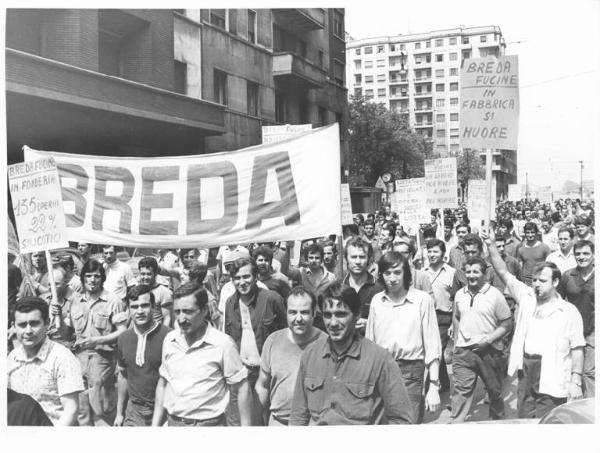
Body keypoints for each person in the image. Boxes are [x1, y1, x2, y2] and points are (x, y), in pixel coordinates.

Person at [483, 230, 586, 418]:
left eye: (542, 281)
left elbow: (578, 348)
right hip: (526, 367)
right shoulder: (527, 297)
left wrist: (576, 380)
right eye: (535, 280)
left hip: (553, 371)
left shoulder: (568, 311)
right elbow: (503, 271)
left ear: (555, 281)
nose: (537, 284)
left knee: (548, 419)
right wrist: (490, 244)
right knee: (524, 416)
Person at [289, 283, 414, 425]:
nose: (333, 323)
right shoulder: (310, 355)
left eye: (341, 314)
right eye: (327, 315)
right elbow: (298, 417)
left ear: (357, 315)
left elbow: (402, 420)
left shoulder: (380, 360)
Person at [152, 283, 252, 426]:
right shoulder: (169, 340)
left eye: (188, 311)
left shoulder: (223, 344)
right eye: (177, 312)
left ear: (205, 310)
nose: (181, 319)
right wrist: (155, 426)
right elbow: (163, 383)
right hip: (174, 423)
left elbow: (242, 388)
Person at [366, 252, 441, 423]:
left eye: (397, 272)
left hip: (411, 372)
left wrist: (434, 386)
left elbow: (432, 344)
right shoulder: (377, 301)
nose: (392, 278)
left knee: (407, 423)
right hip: (381, 371)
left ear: (406, 273)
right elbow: (370, 342)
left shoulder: (422, 300)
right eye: (387, 273)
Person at [65, 259, 128, 426]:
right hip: (79, 359)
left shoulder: (112, 300)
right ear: (82, 278)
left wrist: (97, 340)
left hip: (102, 359)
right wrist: (55, 311)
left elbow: (123, 331)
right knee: (82, 408)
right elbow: (66, 330)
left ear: (102, 278)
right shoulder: (75, 300)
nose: (92, 280)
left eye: (97, 276)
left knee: (102, 406)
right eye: (88, 276)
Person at [224, 257, 287, 425]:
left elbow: (286, 334)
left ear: (256, 277)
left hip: (268, 374)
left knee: (269, 421)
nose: (242, 282)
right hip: (242, 373)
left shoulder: (272, 299)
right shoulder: (230, 303)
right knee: (241, 423)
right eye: (237, 278)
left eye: (246, 277)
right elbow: (229, 339)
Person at [450, 257, 512, 423]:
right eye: (468, 271)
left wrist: (489, 340)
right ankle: (456, 422)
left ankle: (497, 422)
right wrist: (457, 342)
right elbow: (456, 317)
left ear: (484, 273)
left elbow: (507, 322)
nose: (471, 275)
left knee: (494, 391)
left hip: (489, 351)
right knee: (461, 390)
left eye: (476, 271)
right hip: (463, 351)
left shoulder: (494, 295)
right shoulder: (459, 294)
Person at [254, 287, 326, 426]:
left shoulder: (325, 344)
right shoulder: (273, 341)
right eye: (292, 312)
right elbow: (262, 386)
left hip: (314, 425)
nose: (298, 318)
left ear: (314, 313)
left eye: (304, 312)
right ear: (286, 313)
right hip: (278, 423)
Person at [7, 297, 84, 425]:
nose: (28, 331)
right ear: (13, 326)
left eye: (34, 323)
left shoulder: (62, 357)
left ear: (47, 323)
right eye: (22, 325)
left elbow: (71, 409)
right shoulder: (12, 358)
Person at [114, 285, 171, 426]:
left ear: (153, 307)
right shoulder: (123, 338)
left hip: (166, 410)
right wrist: (119, 413)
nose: (139, 311)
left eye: (144, 305)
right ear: (128, 309)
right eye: (134, 307)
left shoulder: (169, 336)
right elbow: (123, 376)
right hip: (135, 411)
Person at [557, 240, 595, 398]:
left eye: (586, 253)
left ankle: (591, 410)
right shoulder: (567, 276)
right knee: (571, 371)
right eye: (578, 254)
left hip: (593, 331)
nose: (582, 257)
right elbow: (558, 300)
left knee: (589, 372)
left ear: (593, 255)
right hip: (572, 331)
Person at [423, 239, 456, 392]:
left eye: (435, 251)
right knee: (432, 350)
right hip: (427, 316)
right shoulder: (422, 273)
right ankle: (444, 381)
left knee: (437, 349)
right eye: (429, 251)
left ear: (443, 254)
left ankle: (432, 383)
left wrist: (453, 323)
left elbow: (457, 298)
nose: (432, 255)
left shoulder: (451, 273)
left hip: (445, 316)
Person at [341, 237, 384, 331]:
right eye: (353, 257)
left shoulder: (380, 289)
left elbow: (388, 322)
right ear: (346, 259)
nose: (357, 262)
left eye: (362, 257)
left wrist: (370, 324)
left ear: (369, 259)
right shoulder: (339, 288)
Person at [40, 266, 77, 348]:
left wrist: (59, 317)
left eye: (56, 284)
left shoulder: (75, 301)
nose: (51, 287)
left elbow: (68, 335)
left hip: (66, 344)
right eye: (49, 284)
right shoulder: (44, 299)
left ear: (66, 282)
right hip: (46, 343)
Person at [138, 257, 173, 327]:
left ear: (155, 273)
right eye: (143, 274)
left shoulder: (164, 292)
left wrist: (163, 336)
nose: (145, 277)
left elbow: (167, 318)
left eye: (149, 274)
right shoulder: (137, 290)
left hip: (156, 332)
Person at [518, 222, 551, 286]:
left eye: (532, 232)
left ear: (536, 233)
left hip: (540, 279)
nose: (530, 235)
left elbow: (549, 265)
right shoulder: (521, 249)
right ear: (524, 233)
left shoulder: (544, 247)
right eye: (528, 233)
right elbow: (520, 266)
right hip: (526, 281)